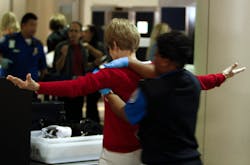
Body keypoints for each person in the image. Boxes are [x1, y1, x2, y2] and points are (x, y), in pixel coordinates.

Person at [6, 18, 245, 165]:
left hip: (115, 153)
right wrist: (222, 76)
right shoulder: (155, 70)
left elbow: (75, 87)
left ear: (114, 46)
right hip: (145, 152)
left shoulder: (110, 73)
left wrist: (38, 86)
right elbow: (198, 81)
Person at [101, 31, 246, 164]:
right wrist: (222, 76)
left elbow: (127, 113)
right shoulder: (191, 82)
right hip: (192, 159)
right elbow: (203, 81)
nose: (153, 59)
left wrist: (108, 92)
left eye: (156, 55)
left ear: (166, 60)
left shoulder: (151, 89)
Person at [0, 12, 47, 100]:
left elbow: (43, 68)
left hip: (30, 87)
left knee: (29, 112)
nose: (34, 28)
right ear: (23, 25)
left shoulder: (38, 44)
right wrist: (1, 60)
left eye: (35, 25)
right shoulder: (10, 39)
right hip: (11, 86)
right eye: (31, 25)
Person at [52, 21, 89, 122]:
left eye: (76, 31)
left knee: (77, 114)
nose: (73, 33)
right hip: (65, 85)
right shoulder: (61, 46)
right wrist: (63, 55)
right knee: (64, 116)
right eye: (71, 31)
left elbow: (84, 68)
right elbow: (57, 68)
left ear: (81, 33)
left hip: (79, 86)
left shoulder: (83, 49)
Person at [81, 24, 107, 123]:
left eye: (86, 32)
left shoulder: (98, 45)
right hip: (83, 76)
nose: (83, 34)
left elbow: (101, 56)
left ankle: (94, 123)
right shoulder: (81, 44)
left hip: (95, 77)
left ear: (92, 33)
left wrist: (89, 47)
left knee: (92, 102)